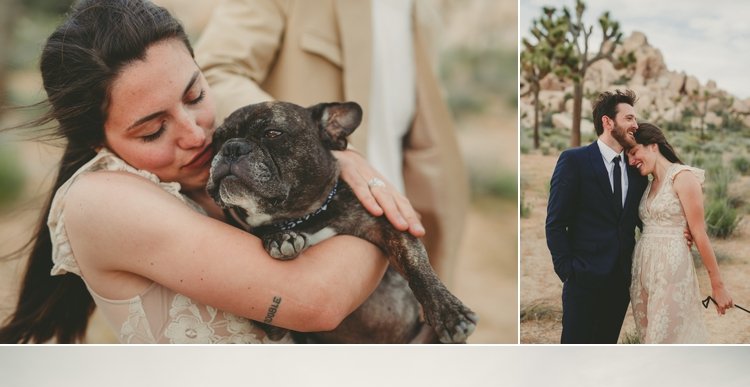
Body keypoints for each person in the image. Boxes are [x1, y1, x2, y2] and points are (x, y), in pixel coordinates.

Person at [0, 0, 424, 343]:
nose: (195, 134)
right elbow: (318, 302)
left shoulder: (220, 179)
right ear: (97, 141)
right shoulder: (101, 201)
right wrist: (373, 209)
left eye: (196, 94)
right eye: (152, 131)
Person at [194, 0, 468, 286]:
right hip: (313, 230)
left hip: (396, 220)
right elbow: (215, 71)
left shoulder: (425, 8)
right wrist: (321, 141)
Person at [545, 90, 646, 344]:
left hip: (621, 283)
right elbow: (555, 223)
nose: (635, 125)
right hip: (583, 281)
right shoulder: (574, 161)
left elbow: (643, 219)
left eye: (635, 119)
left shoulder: (637, 171)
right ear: (607, 122)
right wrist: (568, 271)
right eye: (629, 118)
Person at [628, 123, 733, 343]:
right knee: (648, 338)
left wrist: (718, 285)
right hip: (644, 271)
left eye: (634, 152)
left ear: (653, 146)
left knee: (664, 339)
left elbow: (699, 233)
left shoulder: (683, 177)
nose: (631, 161)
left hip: (671, 270)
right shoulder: (648, 184)